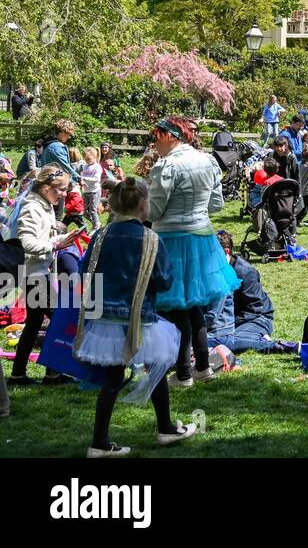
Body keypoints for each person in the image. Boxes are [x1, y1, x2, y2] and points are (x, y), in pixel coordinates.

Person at [74, 176, 198, 458]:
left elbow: (86, 274)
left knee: (112, 380)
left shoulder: (100, 236)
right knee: (156, 367)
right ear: (144, 205)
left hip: (105, 317)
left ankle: (99, 441)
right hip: (138, 316)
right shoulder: (150, 239)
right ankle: (165, 427)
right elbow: (164, 281)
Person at [146, 118, 238, 389]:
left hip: (173, 240)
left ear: (170, 136)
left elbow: (154, 211)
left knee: (178, 307)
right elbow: (217, 204)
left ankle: (184, 373)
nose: (155, 143)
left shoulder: (167, 166)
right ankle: (202, 367)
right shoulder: (208, 161)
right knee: (193, 305)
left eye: (157, 137)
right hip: (202, 238)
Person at [8, 166, 81, 386]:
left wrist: (63, 236)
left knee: (34, 323)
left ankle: (18, 374)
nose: (63, 194)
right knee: (59, 319)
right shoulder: (32, 207)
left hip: (36, 272)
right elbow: (24, 243)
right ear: (46, 187)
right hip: (33, 274)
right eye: (60, 189)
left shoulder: (44, 203)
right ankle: (52, 375)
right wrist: (56, 243)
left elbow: (42, 235)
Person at [205, 231, 285, 353]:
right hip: (229, 321)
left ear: (226, 252)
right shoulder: (211, 272)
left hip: (257, 319)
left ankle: (273, 345)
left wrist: (227, 324)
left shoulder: (245, 272)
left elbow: (254, 309)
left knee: (230, 341)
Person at [80, 144, 104, 233]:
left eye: (89, 159)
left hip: (94, 191)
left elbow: (96, 179)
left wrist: (84, 178)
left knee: (93, 210)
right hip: (86, 191)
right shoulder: (85, 166)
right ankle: (96, 223)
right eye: (85, 159)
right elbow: (82, 175)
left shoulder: (97, 167)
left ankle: (96, 227)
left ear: (95, 156)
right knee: (84, 211)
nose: (87, 161)